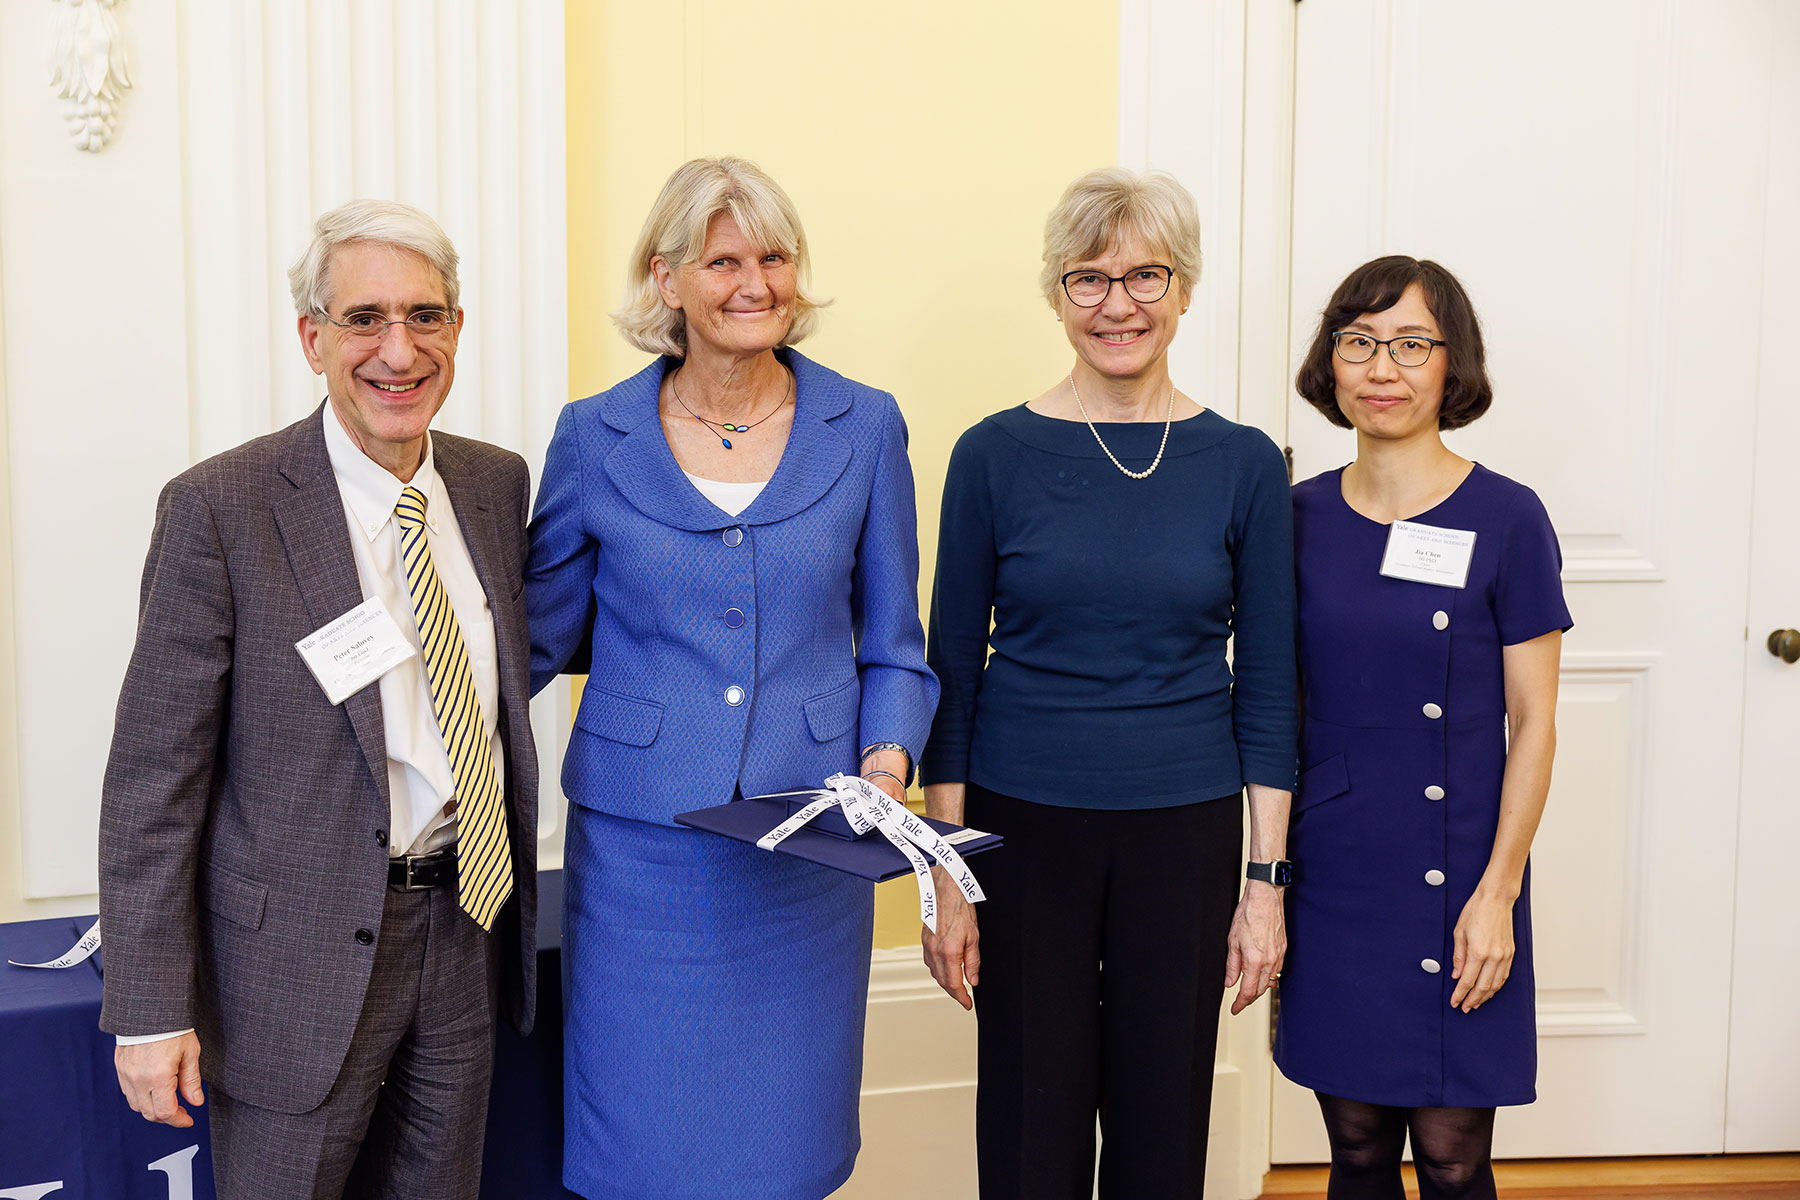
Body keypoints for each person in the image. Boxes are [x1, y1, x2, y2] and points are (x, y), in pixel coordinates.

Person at [97, 199, 539, 1198]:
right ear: (312, 338)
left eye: (426, 316)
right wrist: (151, 1005)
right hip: (289, 966)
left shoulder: (493, 486)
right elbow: (151, 782)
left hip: (465, 930)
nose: (399, 349)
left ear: (457, 331)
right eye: (364, 319)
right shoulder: (222, 508)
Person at [524, 156, 937, 1200]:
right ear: (667, 281)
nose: (754, 283)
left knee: (783, 1145)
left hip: (806, 851)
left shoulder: (867, 424)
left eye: (774, 256)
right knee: (640, 1142)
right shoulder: (594, 434)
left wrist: (885, 767)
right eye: (723, 261)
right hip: (640, 856)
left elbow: (894, 640)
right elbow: (537, 632)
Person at [919, 167, 1296, 1199]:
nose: (1117, 305)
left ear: (1185, 289)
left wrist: (1264, 889)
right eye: (1088, 279)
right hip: (1021, 824)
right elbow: (950, 671)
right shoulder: (992, 456)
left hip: (1188, 824)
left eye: (1145, 276)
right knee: (1032, 1118)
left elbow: (1266, 689)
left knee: (1162, 1120)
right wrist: (946, 874)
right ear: (1055, 294)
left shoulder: (1244, 463)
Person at [1274, 256, 1570, 1200]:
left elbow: (1536, 722)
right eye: (1357, 342)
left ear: (1453, 365)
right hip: (1339, 872)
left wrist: (1499, 894)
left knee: (1450, 1153)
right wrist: (1267, 881)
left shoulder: (1507, 517)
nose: (1381, 367)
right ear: (1332, 362)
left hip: (1462, 873)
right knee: (1356, 1145)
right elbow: (1276, 705)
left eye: (1411, 344)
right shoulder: (1296, 518)